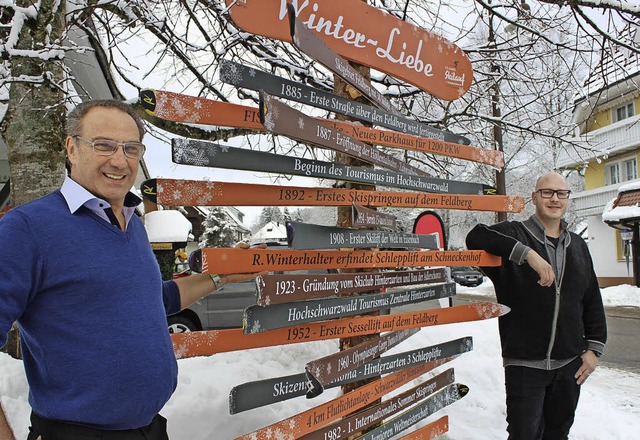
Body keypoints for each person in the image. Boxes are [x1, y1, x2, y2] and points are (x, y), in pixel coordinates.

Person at [0, 99, 261, 439]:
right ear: (72, 148)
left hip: (149, 428)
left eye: (131, 148)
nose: (120, 160)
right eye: (104, 145)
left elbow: (155, 299)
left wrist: (221, 275)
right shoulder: (27, 228)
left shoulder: (133, 224)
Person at [465, 172, 607, 440]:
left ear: (567, 199)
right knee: (524, 435)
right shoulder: (515, 234)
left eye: (561, 193)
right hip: (524, 364)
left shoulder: (577, 245)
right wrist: (527, 254)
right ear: (534, 198)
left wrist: (594, 351)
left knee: (558, 434)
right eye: (547, 193)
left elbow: (590, 299)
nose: (554, 199)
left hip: (569, 365)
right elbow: (475, 237)